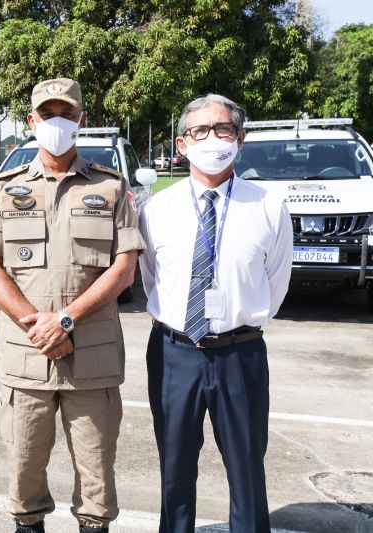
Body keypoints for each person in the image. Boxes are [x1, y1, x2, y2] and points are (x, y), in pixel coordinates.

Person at [0, 77, 145, 533]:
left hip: (92, 359)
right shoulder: (5, 189)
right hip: (26, 355)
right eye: (47, 114)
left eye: (66, 113)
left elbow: (124, 268)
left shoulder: (112, 189)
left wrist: (66, 320)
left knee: (97, 481)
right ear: (31, 121)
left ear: (81, 120)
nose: (57, 122)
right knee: (24, 475)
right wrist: (39, 327)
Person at [138, 94, 292, 533]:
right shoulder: (155, 211)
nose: (212, 139)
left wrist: (239, 321)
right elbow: (151, 280)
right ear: (181, 144)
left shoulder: (267, 206)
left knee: (247, 471)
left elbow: (276, 281)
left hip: (240, 354)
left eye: (222, 129)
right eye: (199, 131)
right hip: (174, 353)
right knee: (175, 470)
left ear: (239, 139)